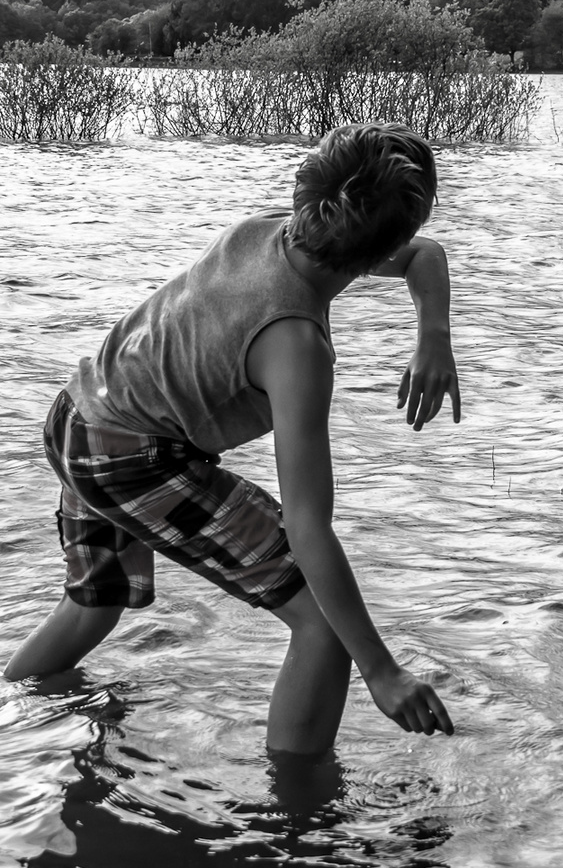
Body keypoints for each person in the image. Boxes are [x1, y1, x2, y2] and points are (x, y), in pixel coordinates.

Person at [4, 122, 460, 758]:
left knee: (92, 606)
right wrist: (381, 670)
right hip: (128, 460)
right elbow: (308, 527)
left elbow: (425, 255)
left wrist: (432, 336)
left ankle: (11, 731)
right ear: (378, 249)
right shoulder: (295, 346)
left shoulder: (269, 229)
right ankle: (295, 818)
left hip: (78, 413)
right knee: (325, 627)